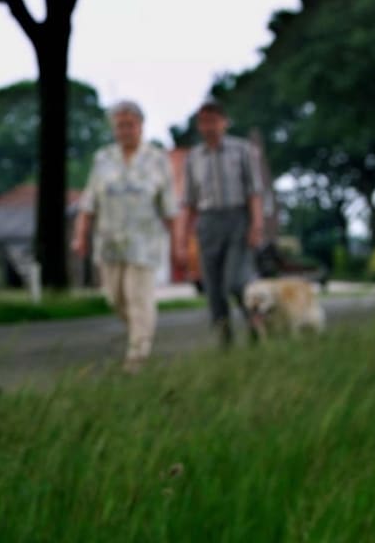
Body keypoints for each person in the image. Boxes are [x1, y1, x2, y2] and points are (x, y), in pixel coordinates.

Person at [72, 101, 178, 371]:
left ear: (141, 126)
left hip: (144, 242)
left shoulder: (157, 159)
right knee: (116, 298)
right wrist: (80, 235)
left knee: (137, 296)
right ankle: (140, 334)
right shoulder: (103, 158)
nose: (125, 130)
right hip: (109, 241)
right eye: (120, 125)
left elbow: (170, 207)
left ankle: (137, 355)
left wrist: (178, 244)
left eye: (130, 125)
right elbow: (88, 201)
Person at [176, 100, 264, 347]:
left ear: (224, 123)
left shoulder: (242, 151)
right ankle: (225, 340)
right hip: (208, 222)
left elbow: (254, 192)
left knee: (236, 280)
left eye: (213, 121)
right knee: (214, 288)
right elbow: (188, 202)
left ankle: (254, 324)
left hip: (237, 220)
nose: (209, 127)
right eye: (204, 122)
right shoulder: (194, 157)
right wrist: (182, 239)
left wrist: (256, 225)